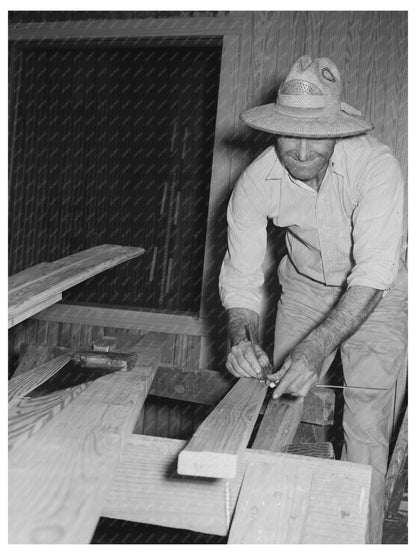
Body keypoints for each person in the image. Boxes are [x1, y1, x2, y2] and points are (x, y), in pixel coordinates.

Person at [219, 55, 407, 543]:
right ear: (274, 130)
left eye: (316, 134)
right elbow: (240, 281)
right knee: (281, 401)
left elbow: (372, 274)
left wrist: (318, 346)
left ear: (340, 129)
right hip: (304, 287)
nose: (300, 150)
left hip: (378, 292)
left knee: (365, 423)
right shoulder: (256, 183)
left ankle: (354, 540)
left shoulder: (377, 167)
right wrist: (242, 337)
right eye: (289, 134)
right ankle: (272, 533)